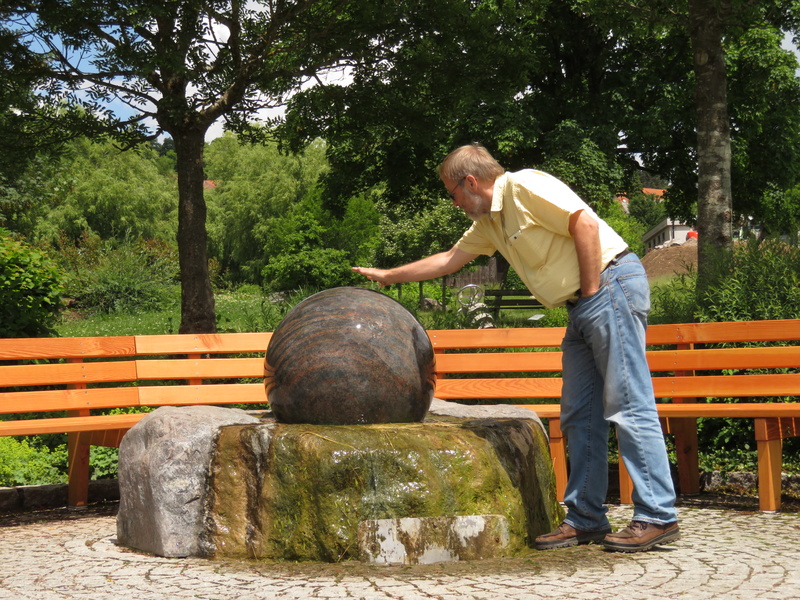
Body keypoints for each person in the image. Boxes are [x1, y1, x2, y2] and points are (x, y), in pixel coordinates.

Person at [352, 143, 679, 553]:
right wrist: (387, 275)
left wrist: (592, 293)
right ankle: (585, 518)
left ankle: (657, 516)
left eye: (452, 193)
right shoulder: (489, 222)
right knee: (579, 415)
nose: (453, 203)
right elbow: (451, 258)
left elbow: (585, 224)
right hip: (582, 305)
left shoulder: (524, 186)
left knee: (627, 404)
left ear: (470, 182)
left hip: (609, 287)